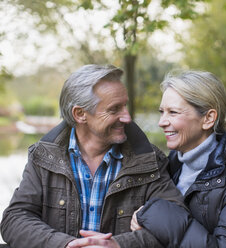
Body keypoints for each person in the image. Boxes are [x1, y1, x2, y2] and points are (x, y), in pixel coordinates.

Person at [0, 64, 184, 248]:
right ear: (80, 114)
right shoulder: (43, 156)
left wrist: (119, 245)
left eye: (125, 106)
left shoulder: (149, 160)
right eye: (114, 109)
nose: (127, 117)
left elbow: (177, 222)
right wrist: (66, 245)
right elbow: (14, 219)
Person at [132, 70, 226, 247]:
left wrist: (155, 214)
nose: (162, 122)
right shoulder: (172, 165)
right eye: (162, 112)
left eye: (173, 112)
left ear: (208, 118)